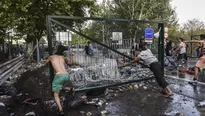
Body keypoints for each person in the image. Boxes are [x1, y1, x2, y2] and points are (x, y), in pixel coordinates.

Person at [44, 45, 86, 115]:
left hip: (59, 75)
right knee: (60, 87)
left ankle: (60, 110)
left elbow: (45, 64)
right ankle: (70, 89)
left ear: (56, 49)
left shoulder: (51, 57)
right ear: (63, 52)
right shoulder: (63, 57)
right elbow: (71, 64)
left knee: (56, 94)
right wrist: (71, 56)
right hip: (66, 75)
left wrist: (48, 61)